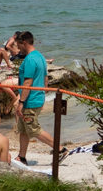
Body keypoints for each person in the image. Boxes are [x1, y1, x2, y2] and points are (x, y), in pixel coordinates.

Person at [13, 31, 67, 165]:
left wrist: (21, 102)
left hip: (30, 101)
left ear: (24, 42)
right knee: (23, 129)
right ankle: (22, 156)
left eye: (18, 45)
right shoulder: (40, 56)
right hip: (37, 97)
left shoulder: (30, 59)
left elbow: (28, 82)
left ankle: (60, 149)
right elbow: (45, 79)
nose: (17, 48)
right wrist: (42, 95)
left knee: (33, 129)